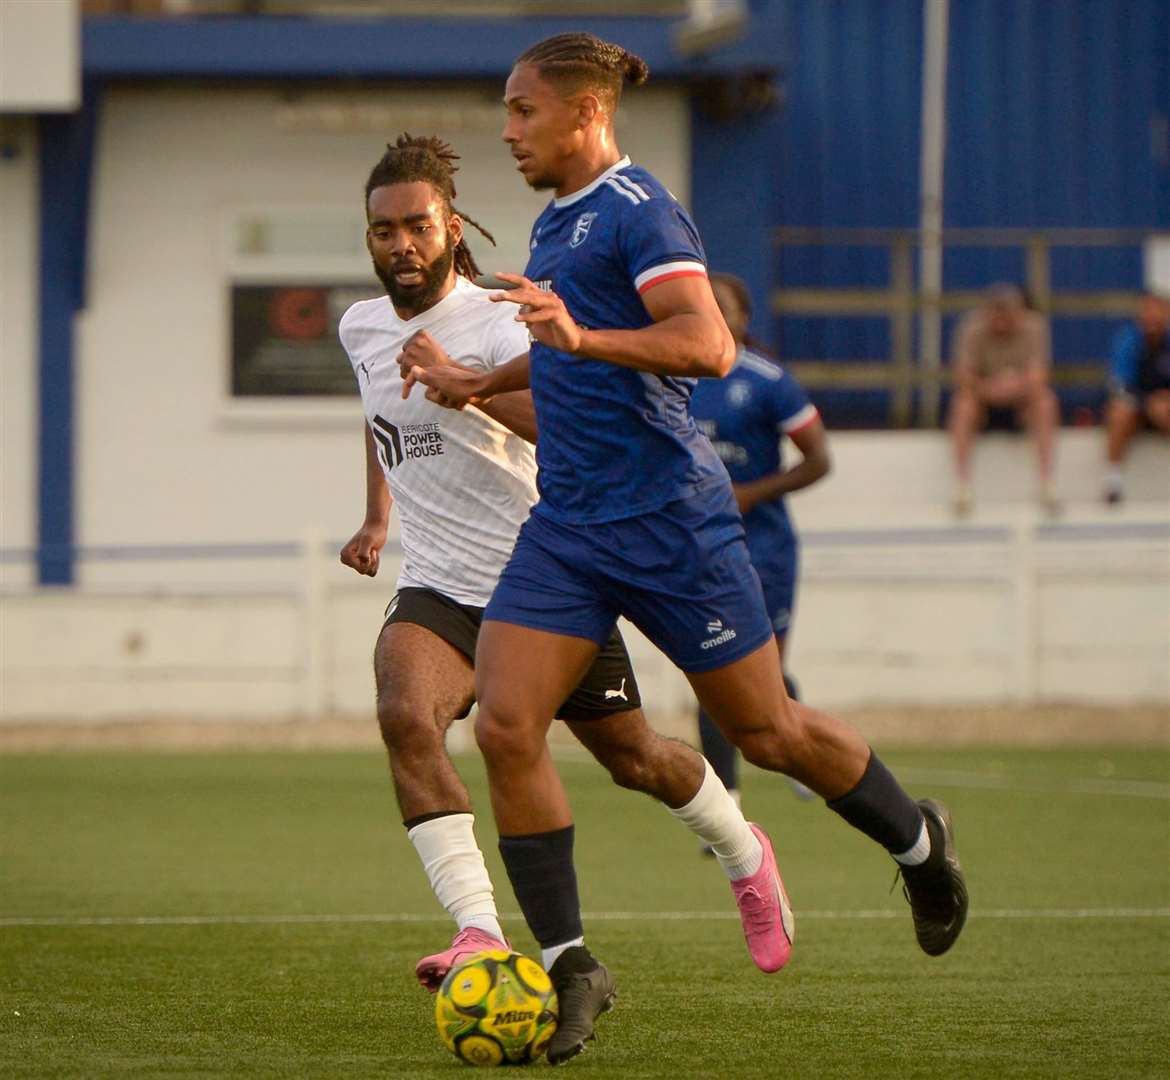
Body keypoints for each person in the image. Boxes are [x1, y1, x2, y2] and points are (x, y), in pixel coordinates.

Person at [407, 30, 968, 1051]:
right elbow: (567, 364)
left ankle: (921, 842)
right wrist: (477, 382)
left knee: (769, 733)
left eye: (522, 110)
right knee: (504, 726)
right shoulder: (554, 224)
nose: (506, 129)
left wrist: (581, 335)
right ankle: (573, 964)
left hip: (673, 522)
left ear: (585, 114)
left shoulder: (640, 211)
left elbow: (705, 345)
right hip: (571, 525)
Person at [338, 135, 796, 1065]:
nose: (400, 245)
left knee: (637, 760)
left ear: (451, 226)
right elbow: (380, 413)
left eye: (417, 226)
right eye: (383, 230)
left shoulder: (504, 322)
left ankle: (744, 853)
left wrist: (462, 391)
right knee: (403, 711)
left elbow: (562, 422)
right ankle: (480, 932)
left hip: (545, 582)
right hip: (436, 587)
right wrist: (376, 514)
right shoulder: (359, 326)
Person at [689, 272, 831, 818]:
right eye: (703, 304)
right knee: (713, 669)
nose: (713, 314)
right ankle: (724, 806)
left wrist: (752, 493)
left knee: (761, 675)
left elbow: (820, 460)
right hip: (697, 548)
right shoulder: (672, 373)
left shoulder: (770, 381)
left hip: (763, 547)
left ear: (744, 318)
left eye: (722, 306)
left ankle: (810, 748)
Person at [947, 283, 1060, 515]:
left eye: (1008, 317)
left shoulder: (1035, 327)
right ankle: (961, 485)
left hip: (1021, 401)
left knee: (1046, 402)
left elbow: (1039, 377)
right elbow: (962, 376)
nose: (1001, 324)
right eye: (996, 317)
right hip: (983, 400)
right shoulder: (971, 328)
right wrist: (989, 389)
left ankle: (1047, 483)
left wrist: (1013, 387)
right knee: (962, 404)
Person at [1102, 292, 1170, 504]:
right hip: (1137, 408)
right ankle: (1113, 480)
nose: (1150, 317)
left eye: (1156, 311)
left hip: (1164, 409)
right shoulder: (1128, 340)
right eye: (1146, 311)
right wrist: (1147, 401)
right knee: (1120, 411)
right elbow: (1119, 385)